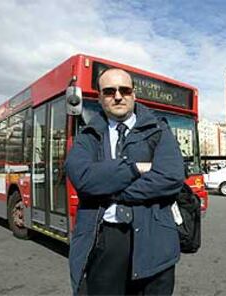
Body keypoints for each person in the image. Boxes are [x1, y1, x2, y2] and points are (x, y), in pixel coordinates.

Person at [65, 68, 185, 295]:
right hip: (104, 240)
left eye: (124, 90)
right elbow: (83, 178)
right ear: (99, 98)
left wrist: (111, 191)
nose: (118, 96)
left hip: (155, 240)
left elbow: (170, 177)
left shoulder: (158, 129)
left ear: (134, 94)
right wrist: (135, 168)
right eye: (109, 91)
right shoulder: (87, 136)